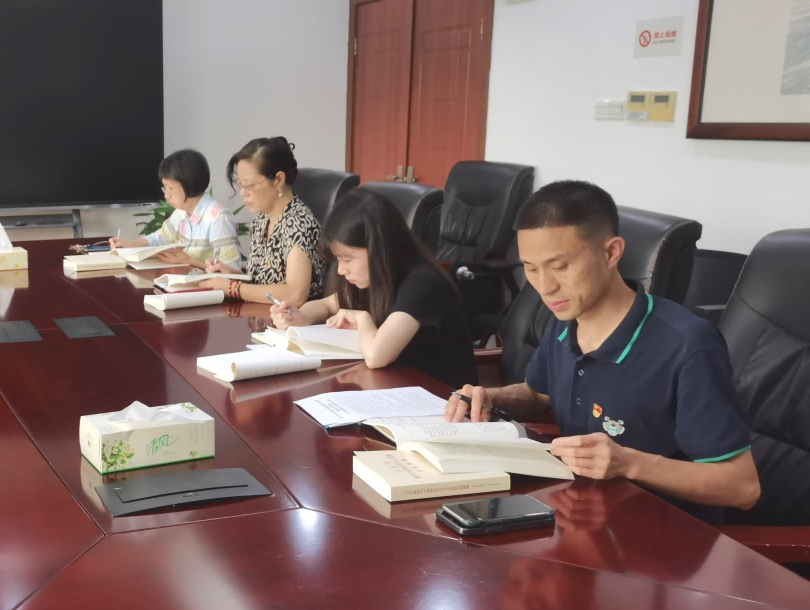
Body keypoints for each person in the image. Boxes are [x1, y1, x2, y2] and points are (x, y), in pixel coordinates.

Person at [444, 180, 759, 522]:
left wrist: (627, 462)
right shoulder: (566, 320)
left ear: (611, 253)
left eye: (560, 266)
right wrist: (491, 398)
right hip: (576, 513)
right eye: (531, 269)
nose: (545, 287)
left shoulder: (688, 346)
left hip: (660, 534)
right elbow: (540, 395)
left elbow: (742, 487)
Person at [269, 188, 475, 386]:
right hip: (399, 386)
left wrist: (362, 319)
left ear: (378, 249)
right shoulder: (376, 277)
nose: (341, 270)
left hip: (442, 398)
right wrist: (301, 316)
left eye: (347, 259)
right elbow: (327, 305)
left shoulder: (422, 283)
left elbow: (376, 356)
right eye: (338, 260)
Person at [202, 136, 323, 307]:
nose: (243, 193)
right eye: (240, 185)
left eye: (249, 186)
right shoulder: (261, 221)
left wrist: (232, 287)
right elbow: (262, 284)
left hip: (291, 321)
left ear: (279, 180)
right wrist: (232, 275)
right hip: (260, 317)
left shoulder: (299, 223)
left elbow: (295, 295)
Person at [109, 149, 241, 269]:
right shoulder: (181, 213)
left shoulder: (218, 218)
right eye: (165, 188)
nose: (166, 195)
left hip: (209, 286)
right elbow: (158, 238)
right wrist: (128, 244)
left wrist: (190, 261)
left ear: (188, 183)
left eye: (170, 188)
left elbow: (231, 270)